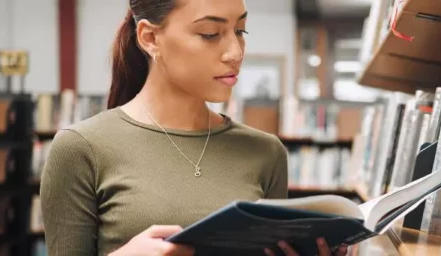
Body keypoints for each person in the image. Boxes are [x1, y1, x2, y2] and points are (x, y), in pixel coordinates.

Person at [39, 0, 348, 255]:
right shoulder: (82, 148)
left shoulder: (266, 153)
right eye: (210, 33)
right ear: (149, 38)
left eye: (240, 30)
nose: (235, 52)